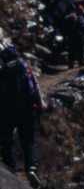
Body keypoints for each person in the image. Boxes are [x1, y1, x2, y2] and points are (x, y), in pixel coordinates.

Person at [0, 45, 44, 188]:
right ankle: (31, 168)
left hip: (9, 111)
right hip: (28, 110)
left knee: (6, 140)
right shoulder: (25, 67)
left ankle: (9, 167)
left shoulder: (4, 70)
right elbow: (35, 87)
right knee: (28, 141)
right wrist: (39, 105)